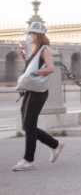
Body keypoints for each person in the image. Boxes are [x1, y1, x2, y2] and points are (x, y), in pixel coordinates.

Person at [12, 21, 63, 172]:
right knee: (27, 126)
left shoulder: (45, 49)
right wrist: (23, 55)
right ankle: (55, 145)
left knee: (29, 125)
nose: (29, 36)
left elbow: (50, 68)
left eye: (31, 33)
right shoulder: (35, 50)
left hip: (38, 93)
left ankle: (28, 160)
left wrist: (35, 73)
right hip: (30, 90)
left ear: (37, 34)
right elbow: (31, 66)